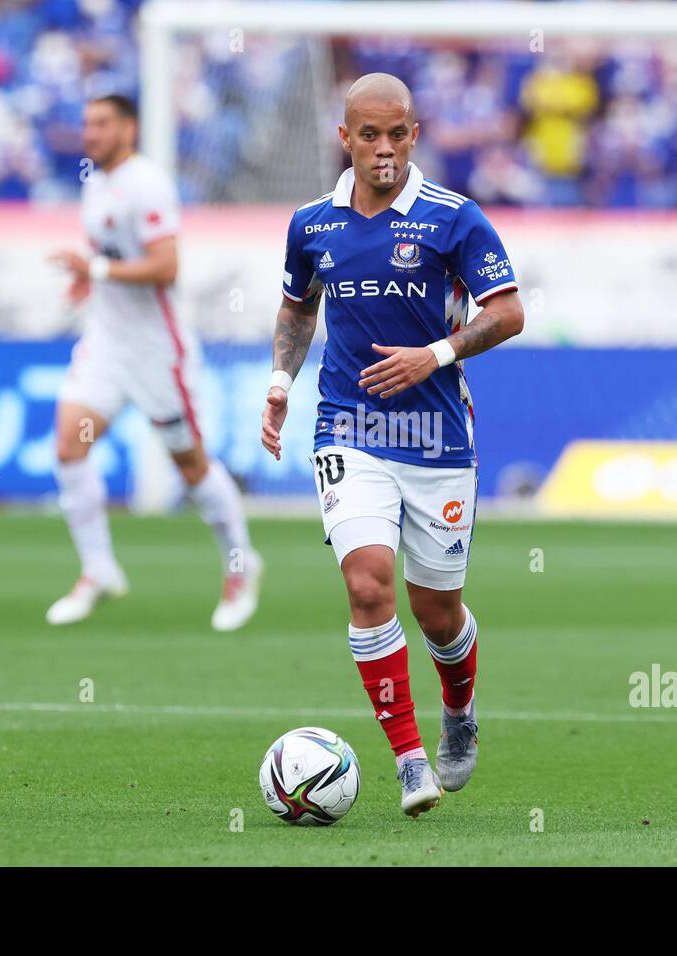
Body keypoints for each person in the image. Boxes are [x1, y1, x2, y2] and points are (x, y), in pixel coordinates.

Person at [260, 74, 524, 817]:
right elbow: (295, 308)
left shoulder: (454, 219)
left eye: (398, 134)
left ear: (416, 134)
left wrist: (435, 355)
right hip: (348, 427)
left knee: (438, 612)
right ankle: (410, 761)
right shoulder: (313, 223)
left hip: (435, 436)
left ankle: (460, 708)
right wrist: (281, 381)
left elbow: (508, 313)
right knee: (369, 585)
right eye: (368, 135)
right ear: (344, 138)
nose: (384, 148)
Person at [47, 94, 261, 631]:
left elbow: (166, 266)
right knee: (70, 445)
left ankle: (241, 563)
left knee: (190, 467)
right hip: (106, 344)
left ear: (129, 128)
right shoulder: (95, 185)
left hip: (156, 353)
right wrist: (89, 278)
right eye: (86, 123)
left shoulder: (147, 184)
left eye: (101, 124)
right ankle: (98, 569)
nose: (90, 133)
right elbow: (116, 259)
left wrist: (93, 268)